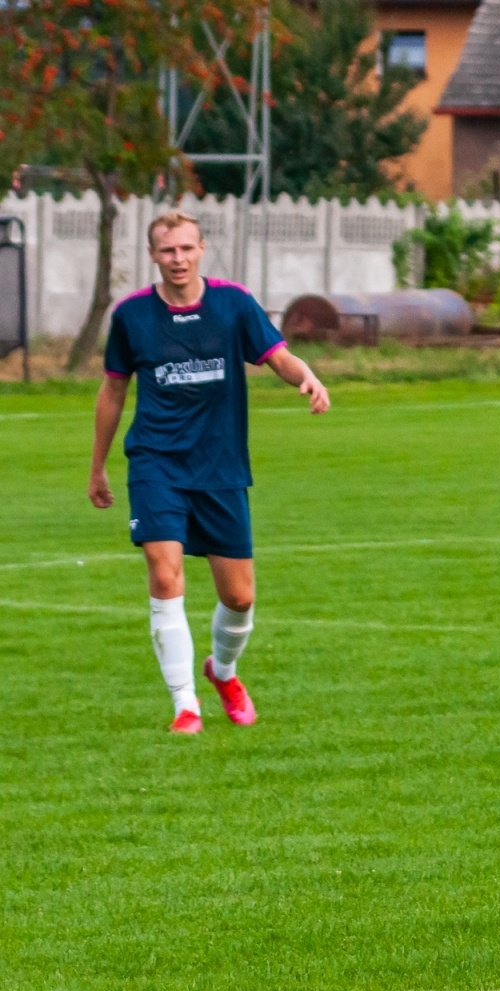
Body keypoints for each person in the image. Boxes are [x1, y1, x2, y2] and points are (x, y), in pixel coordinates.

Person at [88, 210, 330, 733]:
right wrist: (98, 468)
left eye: (186, 248)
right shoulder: (131, 316)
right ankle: (185, 706)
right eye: (167, 250)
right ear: (153, 255)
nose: (177, 259)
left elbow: (277, 355)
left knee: (239, 598)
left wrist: (305, 376)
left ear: (201, 250)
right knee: (164, 572)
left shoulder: (233, 304)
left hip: (220, 467)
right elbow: (112, 391)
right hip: (156, 464)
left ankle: (222, 671)